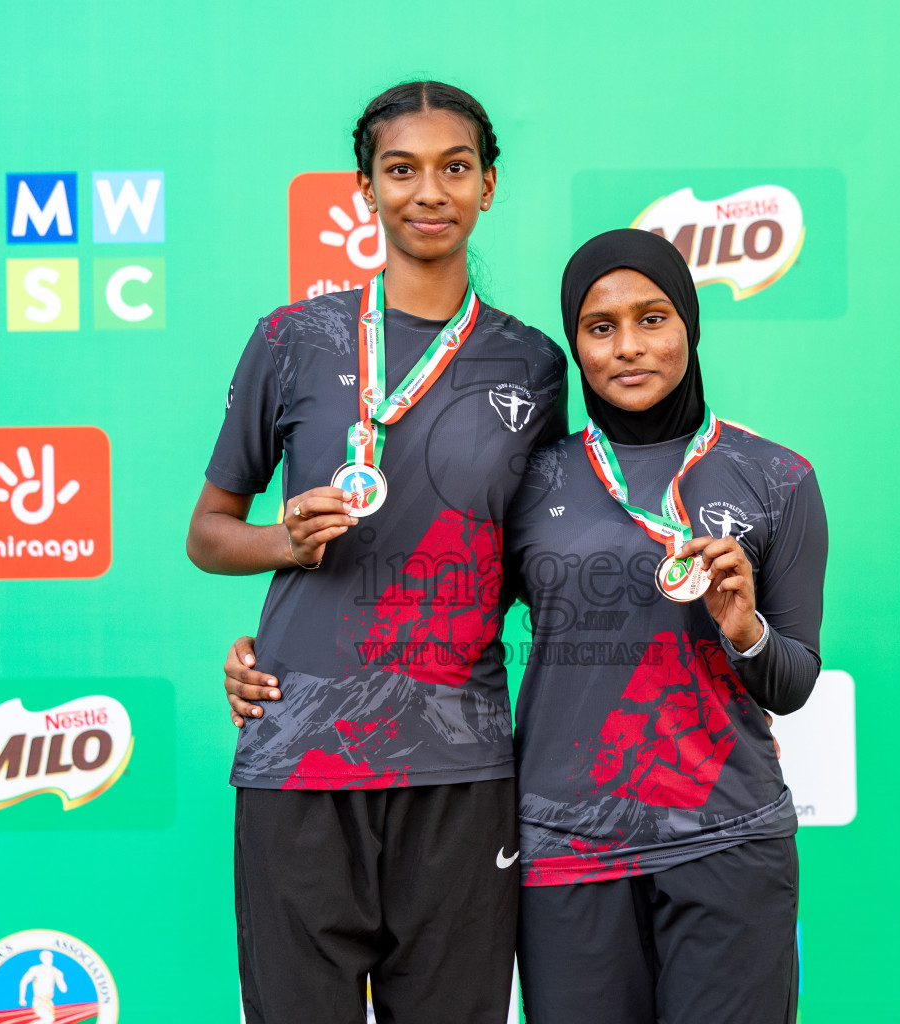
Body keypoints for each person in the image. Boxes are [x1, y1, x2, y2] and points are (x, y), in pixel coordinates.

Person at [189, 81, 567, 1024]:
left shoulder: (533, 365)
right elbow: (209, 532)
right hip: (301, 746)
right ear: (365, 187)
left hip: (460, 759)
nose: (427, 192)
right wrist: (286, 542)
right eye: (401, 170)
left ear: (490, 185)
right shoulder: (292, 340)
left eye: (453, 168)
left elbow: (550, 565)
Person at [505, 228, 828, 1023]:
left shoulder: (777, 476)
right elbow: (442, 628)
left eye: (653, 318)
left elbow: (791, 682)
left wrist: (744, 628)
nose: (628, 347)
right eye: (600, 326)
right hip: (568, 846)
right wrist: (281, 657)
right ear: (577, 345)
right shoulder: (527, 479)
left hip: (728, 838)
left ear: (689, 322)